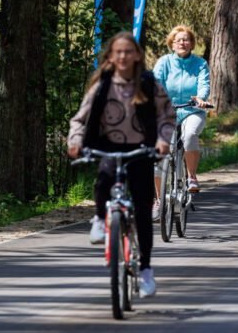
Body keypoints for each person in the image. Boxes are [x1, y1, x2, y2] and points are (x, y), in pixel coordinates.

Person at [68, 32, 176, 298]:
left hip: (141, 149)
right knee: (104, 177)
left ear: (137, 55)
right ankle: (98, 218)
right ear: (111, 56)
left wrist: (163, 141)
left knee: (142, 211)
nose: (124, 56)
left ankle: (146, 270)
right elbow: (80, 120)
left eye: (129, 51)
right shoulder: (102, 86)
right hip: (108, 146)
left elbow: (166, 116)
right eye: (119, 52)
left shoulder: (149, 84)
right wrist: (75, 141)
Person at [153, 25, 211, 207]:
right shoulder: (164, 62)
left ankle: (192, 177)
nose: (182, 43)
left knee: (189, 135)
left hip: (192, 110)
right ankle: (159, 200)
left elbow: (204, 83)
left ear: (192, 44)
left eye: (186, 40)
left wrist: (201, 98)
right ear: (172, 44)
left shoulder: (200, 64)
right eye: (179, 40)